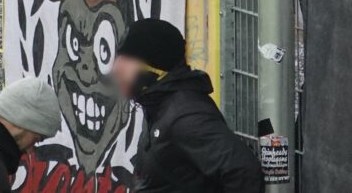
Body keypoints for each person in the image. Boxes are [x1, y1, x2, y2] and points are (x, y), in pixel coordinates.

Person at [110, 19, 264, 193]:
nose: (116, 68)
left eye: (128, 59)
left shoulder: (184, 115)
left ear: (155, 65)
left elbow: (244, 172)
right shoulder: (160, 105)